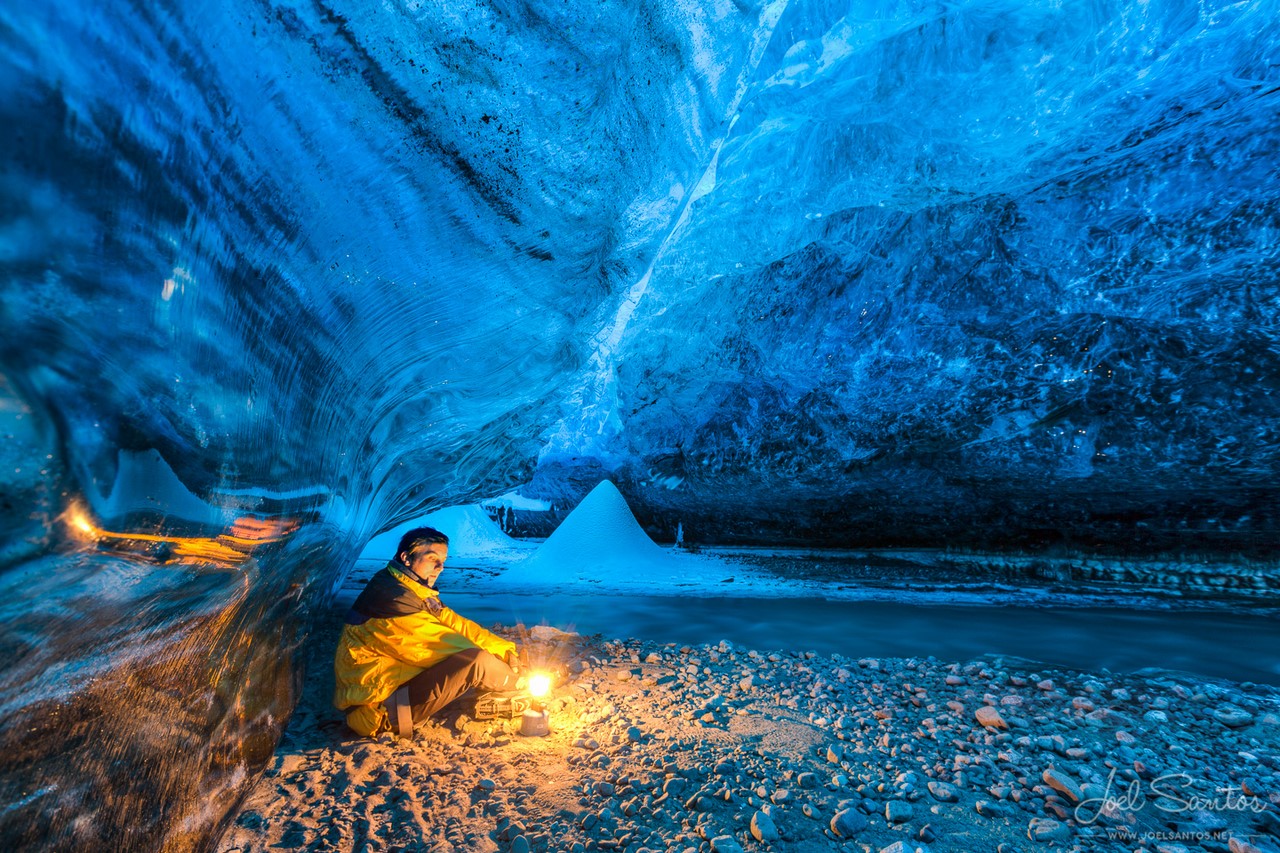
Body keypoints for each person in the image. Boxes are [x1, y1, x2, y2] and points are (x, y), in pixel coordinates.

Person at [333, 526, 522, 737]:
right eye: (433, 559)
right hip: (378, 712)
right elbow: (447, 646)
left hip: (390, 690)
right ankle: (519, 685)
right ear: (406, 557)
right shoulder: (392, 603)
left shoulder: (404, 587)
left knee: (478, 658)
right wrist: (519, 678)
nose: (440, 567)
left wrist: (505, 650)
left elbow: (457, 625)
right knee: (476, 661)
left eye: (443, 561)